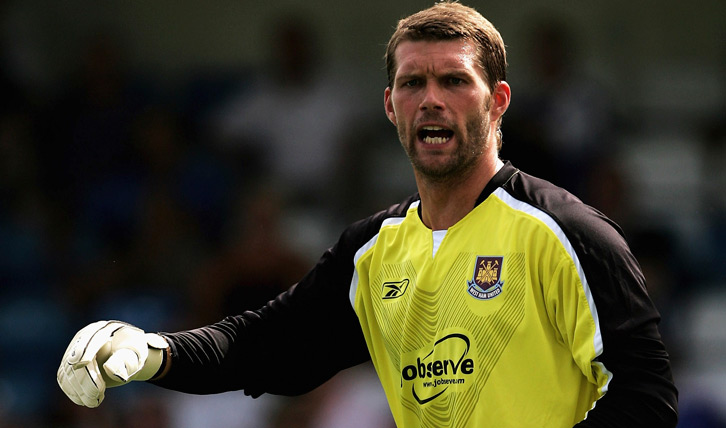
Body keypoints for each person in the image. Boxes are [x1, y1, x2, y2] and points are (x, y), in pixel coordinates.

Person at [57, 2, 679, 427]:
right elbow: (268, 347)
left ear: (498, 104)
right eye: (413, 84)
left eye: (455, 81)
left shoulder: (568, 233)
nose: (431, 100)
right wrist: (152, 352)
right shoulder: (371, 252)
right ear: (389, 105)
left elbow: (647, 396)